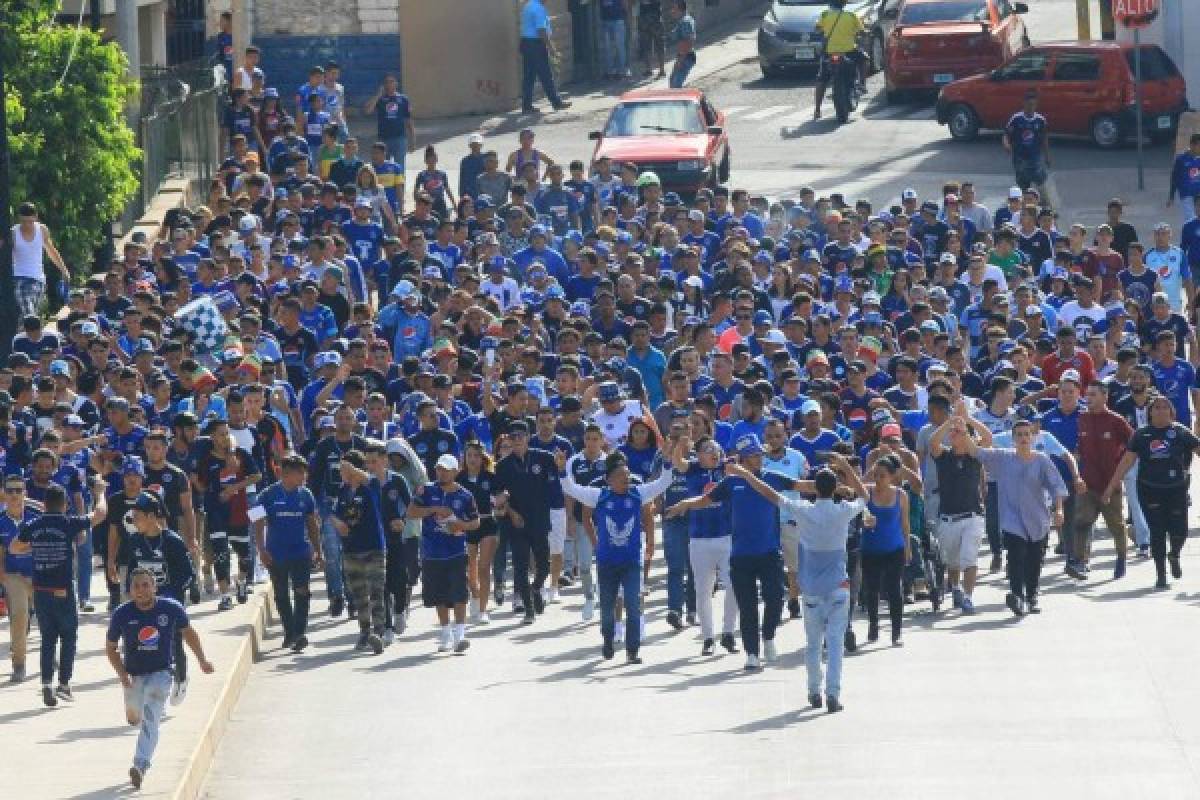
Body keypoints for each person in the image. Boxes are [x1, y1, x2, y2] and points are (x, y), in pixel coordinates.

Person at [728, 455, 867, 713]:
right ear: (835, 488)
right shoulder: (843, 511)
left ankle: (814, 691)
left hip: (811, 589)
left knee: (813, 645)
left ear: (814, 489)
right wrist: (847, 467)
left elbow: (770, 493)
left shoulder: (803, 510)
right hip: (838, 586)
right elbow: (864, 497)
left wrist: (745, 474)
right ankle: (833, 695)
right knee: (835, 645)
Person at [666, 435, 796, 670]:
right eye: (755, 455)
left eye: (760, 455)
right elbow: (705, 499)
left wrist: (833, 487)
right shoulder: (729, 481)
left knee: (776, 600)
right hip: (737, 552)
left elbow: (801, 485)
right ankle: (750, 653)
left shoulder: (770, 478)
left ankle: (767, 636)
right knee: (745, 605)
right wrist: (685, 504)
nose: (759, 459)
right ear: (745, 459)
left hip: (766, 552)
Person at [559, 444, 678, 664]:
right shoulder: (599, 496)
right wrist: (561, 470)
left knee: (633, 605)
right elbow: (571, 489)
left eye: (628, 475)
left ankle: (632, 650)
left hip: (632, 562)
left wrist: (668, 463)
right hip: (607, 563)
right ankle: (608, 639)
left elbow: (664, 482)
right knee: (606, 607)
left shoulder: (638, 493)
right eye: (621, 476)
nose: (627, 479)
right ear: (609, 479)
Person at [106, 568, 214, 790]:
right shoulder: (121, 614)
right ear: (129, 591)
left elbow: (189, 634)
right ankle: (134, 715)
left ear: (154, 587)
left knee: (151, 716)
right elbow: (110, 648)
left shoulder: (171, 608)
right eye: (136, 586)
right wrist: (121, 673)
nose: (141, 591)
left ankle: (140, 764)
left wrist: (202, 660)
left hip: (161, 673)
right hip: (133, 675)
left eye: (146, 585)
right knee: (134, 715)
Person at [10, 483, 108, 707]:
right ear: (65, 505)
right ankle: (63, 684)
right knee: (68, 637)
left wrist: (35, 548)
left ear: (44, 504)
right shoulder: (68, 523)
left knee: (48, 639)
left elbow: (14, 547)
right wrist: (100, 493)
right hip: (63, 591)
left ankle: (46, 683)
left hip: (41, 592)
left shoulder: (33, 524)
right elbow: (100, 514)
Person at [966, 418, 1068, 616]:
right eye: (1019, 435)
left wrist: (1059, 510)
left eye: (1026, 434)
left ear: (1033, 437)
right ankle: (1017, 596)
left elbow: (1056, 486)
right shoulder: (1003, 457)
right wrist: (966, 421)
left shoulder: (1041, 460)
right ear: (1012, 439)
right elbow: (975, 451)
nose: (1023, 438)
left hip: (1038, 519)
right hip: (1012, 520)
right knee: (1015, 557)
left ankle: (1032, 596)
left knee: (1033, 560)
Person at [1105, 394, 1200, 590]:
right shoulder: (1141, 434)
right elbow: (1127, 461)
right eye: (1156, 407)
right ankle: (1161, 574)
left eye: (1165, 407)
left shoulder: (1180, 432)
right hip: (1149, 489)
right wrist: (1112, 485)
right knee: (1157, 532)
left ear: (1172, 412)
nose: (1161, 410)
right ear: (1150, 412)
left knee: (1179, 531)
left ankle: (1174, 554)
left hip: (1176, 489)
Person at [123, 490, 195, 703]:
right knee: (147, 642)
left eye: (138, 517)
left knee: (173, 640)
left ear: (152, 517)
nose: (134, 521)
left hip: (168, 599)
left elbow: (187, 574)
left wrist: (171, 599)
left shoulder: (172, 542)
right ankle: (153, 688)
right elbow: (133, 571)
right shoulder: (135, 541)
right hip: (143, 602)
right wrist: (132, 593)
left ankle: (181, 679)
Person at [251, 454, 324, 653]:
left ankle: (299, 633)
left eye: (304, 472)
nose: (304, 476)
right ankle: (289, 632)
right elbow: (257, 523)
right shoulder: (266, 495)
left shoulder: (306, 495)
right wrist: (261, 550)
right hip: (276, 553)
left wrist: (318, 550)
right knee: (282, 594)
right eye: (300, 472)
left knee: (302, 592)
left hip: (300, 551)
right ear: (286, 474)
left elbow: (312, 524)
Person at [409, 453, 480, 653]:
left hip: (456, 551)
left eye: (446, 470)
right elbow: (411, 512)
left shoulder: (465, 495)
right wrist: (433, 509)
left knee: (459, 593)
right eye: (439, 469)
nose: (442, 473)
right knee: (438, 596)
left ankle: (460, 635)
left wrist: (460, 525)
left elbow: (476, 522)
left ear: (456, 471)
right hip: (431, 552)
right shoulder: (426, 490)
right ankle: (445, 632)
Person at [928, 403, 994, 614]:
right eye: (953, 433)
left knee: (969, 559)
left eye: (960, 433)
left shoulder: (975, 457)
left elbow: (988, 438)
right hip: (948, 517)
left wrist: (968, 421)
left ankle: (968, 597)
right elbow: (933, 442)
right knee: (952, 562)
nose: (955, 435)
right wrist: (950, 422)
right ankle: (955, 587)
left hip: (972, 516)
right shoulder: (944, 456)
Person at [1074, 381, 1133, 579]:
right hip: (1088, 482)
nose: (1088, 398)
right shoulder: (1082, 418)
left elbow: (1133, 446)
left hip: (1110, 483)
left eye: (1093, 394)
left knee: (1116, 525)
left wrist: (1122, 470)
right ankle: (1080, 561)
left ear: (1105, 397)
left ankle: (1121, 559)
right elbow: (1080, 447)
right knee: (1082, 521)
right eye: (1087, 394)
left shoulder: (1116, 420)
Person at [333, 450, 390, 654]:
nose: (342, 472)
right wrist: (337, 523)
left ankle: (379, 632)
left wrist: (354, 469)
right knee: (358, 594)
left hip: (373, 547)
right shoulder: (342, 491)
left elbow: (369, 479)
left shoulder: (371, 485)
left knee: (376, 591)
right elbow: (333, 513)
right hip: (350, 549)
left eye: (345, 468)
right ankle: (364, 631)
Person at [0, 474, 41, 683]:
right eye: (10, 491)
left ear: (25, 493)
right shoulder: (0, 522)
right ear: (3, 494)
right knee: (19, 616)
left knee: (47, 618)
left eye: (19, 490)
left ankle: (49, 656)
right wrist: (2, 576)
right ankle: (19, 663)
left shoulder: (35, 518)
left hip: (39, 574)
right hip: (13, 576)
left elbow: (54, 509)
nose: (14, 495)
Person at [9, 202, 70, 318]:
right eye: (24, 222)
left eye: (30, 222)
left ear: (36, 217)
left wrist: (64, 270)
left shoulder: (42, 230)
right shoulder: (13, 232)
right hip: (19, 277)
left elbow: (51, 251)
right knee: (29, 313)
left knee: (29, 316)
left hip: (37, 278)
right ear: (19, 219)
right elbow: (7, 257)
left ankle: (25, 334)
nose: (27, 225)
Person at [812, 0, 865, 121]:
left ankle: (817, 110)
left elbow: (816, 29)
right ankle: (862, 84)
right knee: (865, 60)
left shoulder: (825, 15)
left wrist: (822, 30)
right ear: (844, 4)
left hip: (829, 53)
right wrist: (861, 33)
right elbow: (861, 31)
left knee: (822, 78)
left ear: (831, 4)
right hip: (849, 51)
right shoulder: (851, 15)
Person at [519, 0, 571, 114]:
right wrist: (551, 48)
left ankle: (526, 106)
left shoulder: (528, 5)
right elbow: (541, 30)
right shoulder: (538, 8)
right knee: (546, 75)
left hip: (526, 43)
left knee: (529, 76)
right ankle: (556, 103)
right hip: (536, 44)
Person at [363, 74, 416, 177]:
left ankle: (400, 190)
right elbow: (367, 110)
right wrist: (378, 95)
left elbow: (409, 120)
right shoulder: (381, 99)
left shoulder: (403, 99)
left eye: (392, 82)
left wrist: (412, 139)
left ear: (396, 84)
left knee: (399, 167)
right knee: (381, 166)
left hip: (399, 138)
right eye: (387, 82)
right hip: (383, 139)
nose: (389, 84)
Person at [1003, 91, 1051, 195]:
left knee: (1040, 183)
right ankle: (1025, 204)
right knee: (1023, 185)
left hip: (1035, 157)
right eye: (1029, 105)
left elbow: (1044, 139)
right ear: (1024, 104)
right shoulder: (1016, 119)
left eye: (1033, 105)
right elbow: (1006, 134)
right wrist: (1006, 144)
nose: (1031, 107)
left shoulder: (1040, 120)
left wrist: (1047, 157)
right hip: (1020, 158)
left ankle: (1046, 206)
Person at [1168, 132, 1200, 226]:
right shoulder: (1181, 159)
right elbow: (1174, 177)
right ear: (1192, 145)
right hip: (1187, 196)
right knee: (1191, 220)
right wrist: (1171, 196)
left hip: (1198, 195)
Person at [666, 0, 697, 89]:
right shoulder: (683, 20)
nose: (671, 11)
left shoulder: (685, 22)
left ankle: (680, 101)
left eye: (674, 8)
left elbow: (688, 42)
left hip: (685, 56)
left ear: (680, 9)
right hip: (683, 56)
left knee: (675, 85)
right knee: (672, 81)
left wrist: (680, 60)